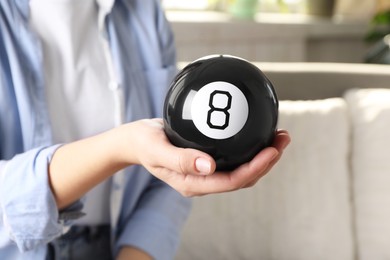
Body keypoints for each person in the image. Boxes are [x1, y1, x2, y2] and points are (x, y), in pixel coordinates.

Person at [0, 0, 291, 259]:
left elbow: (175, 148)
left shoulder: (143, 10)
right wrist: (120, 148)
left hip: (127, 244)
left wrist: (137, 254)